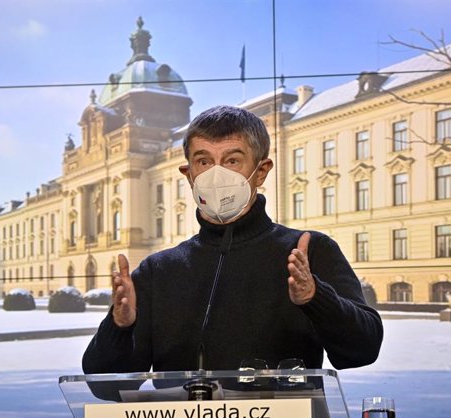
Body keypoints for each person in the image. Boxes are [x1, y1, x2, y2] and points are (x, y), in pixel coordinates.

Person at [83, 105, 382, 375]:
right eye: (204, 161)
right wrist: (120, 327)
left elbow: (363, 350)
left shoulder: (309, 250)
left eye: (232, 160)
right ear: (188, 174)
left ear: (261, 171)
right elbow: (102, 380)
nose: (216, 174)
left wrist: (316, 298)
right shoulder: (157, 271)